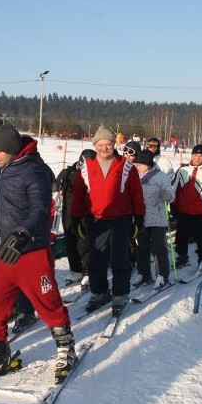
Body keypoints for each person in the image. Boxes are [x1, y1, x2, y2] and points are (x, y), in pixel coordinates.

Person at [0, 125, 76, 382]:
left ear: (10, 149)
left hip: (30, 252)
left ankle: (66, 348)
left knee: (48, 304)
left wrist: (23, 234)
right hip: (2, 252)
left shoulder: (35, 171)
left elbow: (41, 209)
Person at [70, 125, 146, 314]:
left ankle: (120, 294)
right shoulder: (85, 167)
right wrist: (76, 218)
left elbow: (136, 194)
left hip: (121, 220)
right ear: (95, 146)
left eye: (109, 144)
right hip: (96, 220)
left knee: (120, 258)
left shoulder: (127, 167)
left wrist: (139, 217)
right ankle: (99, 292)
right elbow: (78, 195)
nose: (105, 148)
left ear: (114, 144)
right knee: (96, 259)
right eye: (101, 144)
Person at [132, 148, 175, 288]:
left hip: (157, 217)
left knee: (158, 247)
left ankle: (162, 275)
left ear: (148, 164)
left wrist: (164, 193)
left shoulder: (160, 176)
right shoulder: (135, 176)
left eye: (140, 164)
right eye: (136, 164)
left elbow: (171, 195)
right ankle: (143, 273)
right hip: (141, 218)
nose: (137, 167)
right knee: (142, 247)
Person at [171, 144, 202, 272]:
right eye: (195, 155)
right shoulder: (182, 171)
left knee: (200, 236)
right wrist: (173, 205)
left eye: (201, 156)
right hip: (183, 210)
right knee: (181, 236)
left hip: (200, 211)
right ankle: (182, 256)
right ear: (192, 155)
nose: (197, 158)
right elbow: (175, 189)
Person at [54, 149, 95, 286]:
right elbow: (56, 185)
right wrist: (55, 194)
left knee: (83, 243)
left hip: (86, 213)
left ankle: (88, 271)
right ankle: (75, 270)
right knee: (70, 242)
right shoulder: (69, 172)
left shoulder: (94, 174)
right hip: (68, 212)